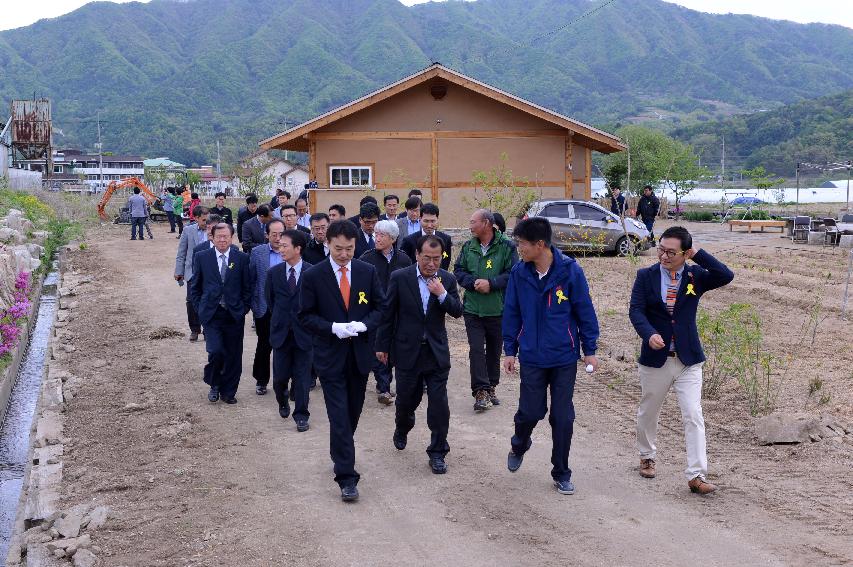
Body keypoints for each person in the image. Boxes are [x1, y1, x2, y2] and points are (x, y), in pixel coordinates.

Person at [629, 226, 734, 495]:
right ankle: (647, 455)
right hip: (656, 359)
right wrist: (649, 333)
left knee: (693, 415)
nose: (663, 256)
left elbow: (725, 274)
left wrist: (696, 255)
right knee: (649, 411)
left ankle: (696, 475)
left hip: (688, 359)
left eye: (671, 252)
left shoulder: (695, 275)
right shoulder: (646, 276)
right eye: (660, 249)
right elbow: (636, 310)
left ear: (685, 253)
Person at [502, 217, 600, 496]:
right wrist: (510, 350)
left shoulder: (570, 271)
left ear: (540, 244)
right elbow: (512, 312)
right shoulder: (520, 273)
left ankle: (561, 472)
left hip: (563, 357)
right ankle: (519, 443)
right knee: (531, 412)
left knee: (563, 417)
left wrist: (589, 350)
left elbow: (584, 311)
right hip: (532, 356)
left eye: (522, 243)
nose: (518, 248)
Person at [298, 220, 385, 502]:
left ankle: (340, 451)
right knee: (338, 416)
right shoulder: (314, 276)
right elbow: (305, 316)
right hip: (330, 356)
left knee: (352, 413)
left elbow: (380, 307)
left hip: (359, 355)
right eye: (339, 249)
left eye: (349, 248)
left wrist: (363, 326)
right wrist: (332, 327)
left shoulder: (366, 272)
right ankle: (347, 477)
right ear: (328, 244)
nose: (344, 254)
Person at [376, 235, 463, 474]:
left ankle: (437, 452)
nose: (432, 264)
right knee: (406, 401)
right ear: (417, 255)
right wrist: (382, 346)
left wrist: (442, 294)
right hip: (407, 352)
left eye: (437, 259)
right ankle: (402, 425)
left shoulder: (446, 279)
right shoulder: (400, 278)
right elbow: (388, 314)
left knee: (439, 406)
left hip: (435, 354)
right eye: (427, 258)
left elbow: (458, 311)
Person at [454, 209, 518, 412]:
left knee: (493, 350)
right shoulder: (468, 246)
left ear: (487, 224)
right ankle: (480, 391)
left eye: (473, 222)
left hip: (498, 308)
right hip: (473, 308)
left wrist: (492, 283)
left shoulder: (507, 247)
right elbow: (458, 270)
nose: (470, 225)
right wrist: (473, 283)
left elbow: (513, 273)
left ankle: (491, 386)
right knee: (475, 349)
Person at [190, 222, 253, 405]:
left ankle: (229, 391)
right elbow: (195, 287)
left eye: (226, 236)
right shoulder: (202, 257)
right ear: (212, 237)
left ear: (232, 237)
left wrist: (243, 308)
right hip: (211, 313)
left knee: (234, 354)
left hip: (234, 314)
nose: (223, 240)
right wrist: (200, 308)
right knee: (216, 351)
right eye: (219, 236)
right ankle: (214, 384)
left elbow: (246, 287)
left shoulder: (241, 258)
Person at [358, 219, 412, 405]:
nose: (377, 238)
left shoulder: (404, 259)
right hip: (376, 311)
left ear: (393, 239)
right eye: (376, 234)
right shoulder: (366, 258)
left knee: (393, 348)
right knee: (378, 346)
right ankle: (384, 387)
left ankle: (387, 382)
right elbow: (359, 288)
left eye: (382, 235)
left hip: (399, 312)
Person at [267, 229, 313, 431]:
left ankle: (302, 414)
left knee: (302, 378)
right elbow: (270, 301)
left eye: (285, 245)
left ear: (298, 248)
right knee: (279, 378)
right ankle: (282, 399)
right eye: (279, 244)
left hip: (305, 334)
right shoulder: (274, 273)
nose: (280, 248)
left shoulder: (313, 273)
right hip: (281, 333)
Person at [249, 219, 286, 396]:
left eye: (281, 234)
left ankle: (284, 381)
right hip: (264, 308)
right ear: (267, 235)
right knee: (264, 345)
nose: (278, 238)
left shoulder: (293, 250)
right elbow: (252, 280)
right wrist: (255, 305)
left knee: (286, 346)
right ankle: (261, 380)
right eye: (274, 234)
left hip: (286, 308)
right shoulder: (257, 253)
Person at [175, 206, 210, 341]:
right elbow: (181, 253)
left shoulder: (214, 230)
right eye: (203, 220)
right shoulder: (188, 231)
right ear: (195, 218)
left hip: (210, 272)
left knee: (209, 301)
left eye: (208, 220)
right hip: (192, 272)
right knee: (191, 301)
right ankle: (195, 329)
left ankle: (208, 328)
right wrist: (179, 272)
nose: (206, 223)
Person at [400, 202, 452, 270]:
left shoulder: (446, 239)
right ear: (420, 219)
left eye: (432, 221)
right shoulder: (409, 241)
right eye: (426, 221)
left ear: (437, 219)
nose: (429, 225)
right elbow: (404, 264)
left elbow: (445, 262)